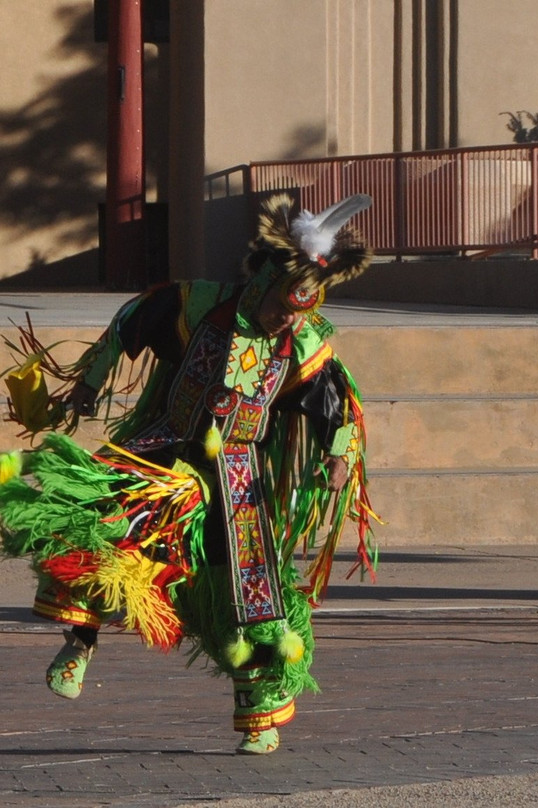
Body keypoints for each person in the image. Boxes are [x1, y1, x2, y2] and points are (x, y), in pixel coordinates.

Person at [0, 193, 377, 754]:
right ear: (263, 282)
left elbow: (337, 407)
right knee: (103, 524)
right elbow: (131, 320)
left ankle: (260, 717)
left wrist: (339, 456)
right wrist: (88, 382)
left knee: (248, 594)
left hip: (239, 478)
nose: (287, 317)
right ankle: (80, 640)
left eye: (301, 309)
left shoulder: (303, 344)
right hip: (164, 450)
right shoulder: (198, 305)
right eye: (283, 304)